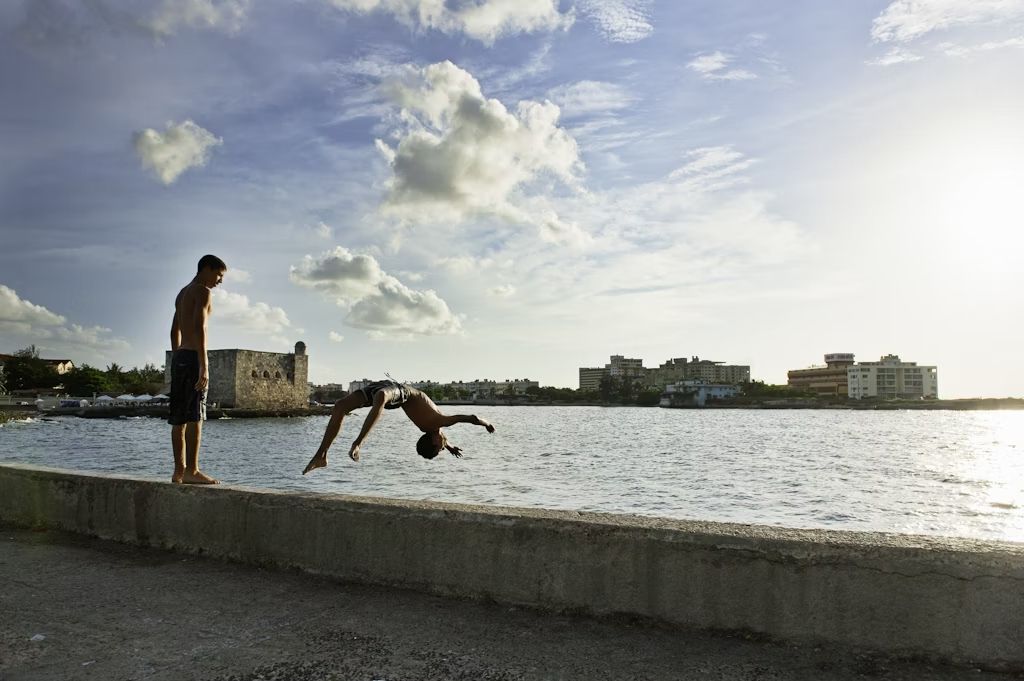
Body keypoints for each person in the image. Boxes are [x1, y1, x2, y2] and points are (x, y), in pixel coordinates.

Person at [302, 379, 495, 475]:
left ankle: (351, 445)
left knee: (381, 398)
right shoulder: (438, 424)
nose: (444, 447)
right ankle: (322, 456)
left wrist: (450, 446)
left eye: (441, 448)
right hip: (397, 390)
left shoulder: (435, 427)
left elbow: (441, 434)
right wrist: (487, 424)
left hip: (394, 392)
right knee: (340, 406)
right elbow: (471, 417)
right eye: (442, 448)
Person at [168, 254, 226, 484]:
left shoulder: (182, 293)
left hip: (180, 356)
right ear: (207, 269)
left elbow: (174, 330)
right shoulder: (203, 291)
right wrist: (204, 365)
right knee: (195, 417)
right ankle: (192, 470)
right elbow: (201, 327)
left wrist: (177, 355)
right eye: (219, 275)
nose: (220, 281)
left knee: (178, 419)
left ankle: (178, 471)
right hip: (192, 357)